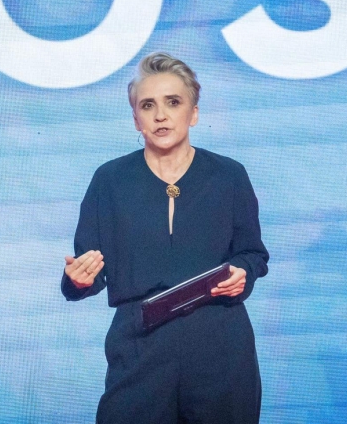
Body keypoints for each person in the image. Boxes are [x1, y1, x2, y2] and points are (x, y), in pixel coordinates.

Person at [61, 52, 269, 423]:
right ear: (135, 119)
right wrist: (77, 280)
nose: (161, 115)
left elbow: (253, 254)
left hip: (220, 345)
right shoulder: (110, 180)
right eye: (148, 105)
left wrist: (243, 272)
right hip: (140, 347)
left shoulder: (228, 176)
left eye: (173, 102)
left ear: (194, 113)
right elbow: (89, 268)